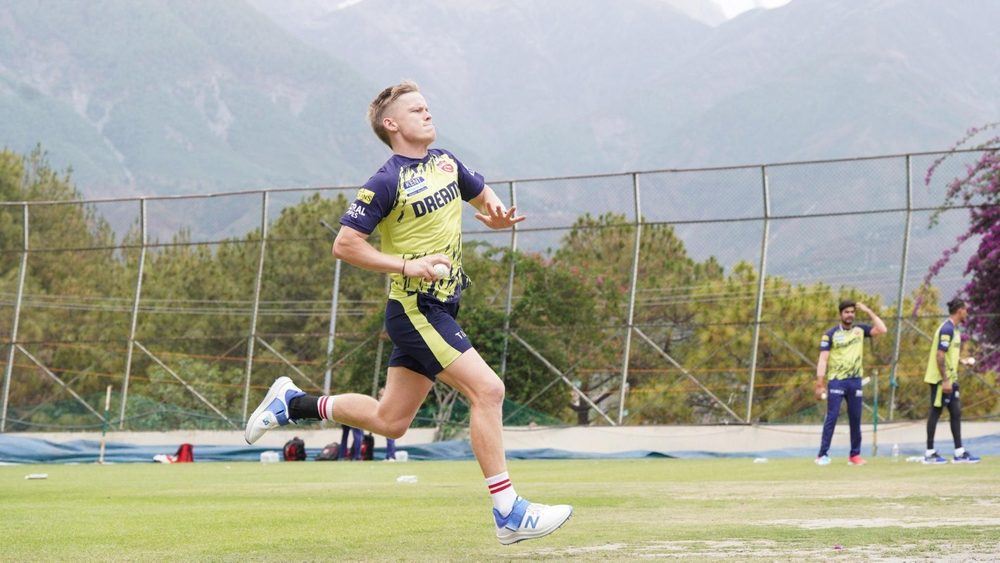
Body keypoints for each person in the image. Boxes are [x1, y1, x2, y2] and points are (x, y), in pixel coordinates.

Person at [245, 81, 572, 545]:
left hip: (443, 305)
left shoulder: (446, 163)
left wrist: (496, 213)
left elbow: (483, 196)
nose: (427, 114)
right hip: (416, 309)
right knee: (489, 390)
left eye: (427, 107)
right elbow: (345, 245)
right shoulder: (385, 181)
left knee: (390, 421)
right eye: (416, 109)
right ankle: (508, 513)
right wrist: (406, 265)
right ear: (391, 124)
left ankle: (292, 403)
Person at [813, 300, 886, 466]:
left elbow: (882, 329)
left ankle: (854, 456)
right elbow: (823, 359)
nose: (850, 315)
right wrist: (819, 383)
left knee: (855, 418)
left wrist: (868, 311)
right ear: (841, 314)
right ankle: (822, 455)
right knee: (832, 417)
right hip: (837, 381)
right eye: (846, 312)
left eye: (852, 312)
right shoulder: (830, 334)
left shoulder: (860, 330)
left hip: (855, 382)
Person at [922, 298, 981, 464]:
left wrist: (962, 361)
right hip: (941, 380)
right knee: (936, 412)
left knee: (956, 412)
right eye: (966, 310)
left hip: (950, 378)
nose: (967, 313)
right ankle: (929, 453)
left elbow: (948, 355)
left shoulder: (954, 330)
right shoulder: (947, 329)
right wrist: (945, 380)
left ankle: (959, 452)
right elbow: (939, 355)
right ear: (960, 310)